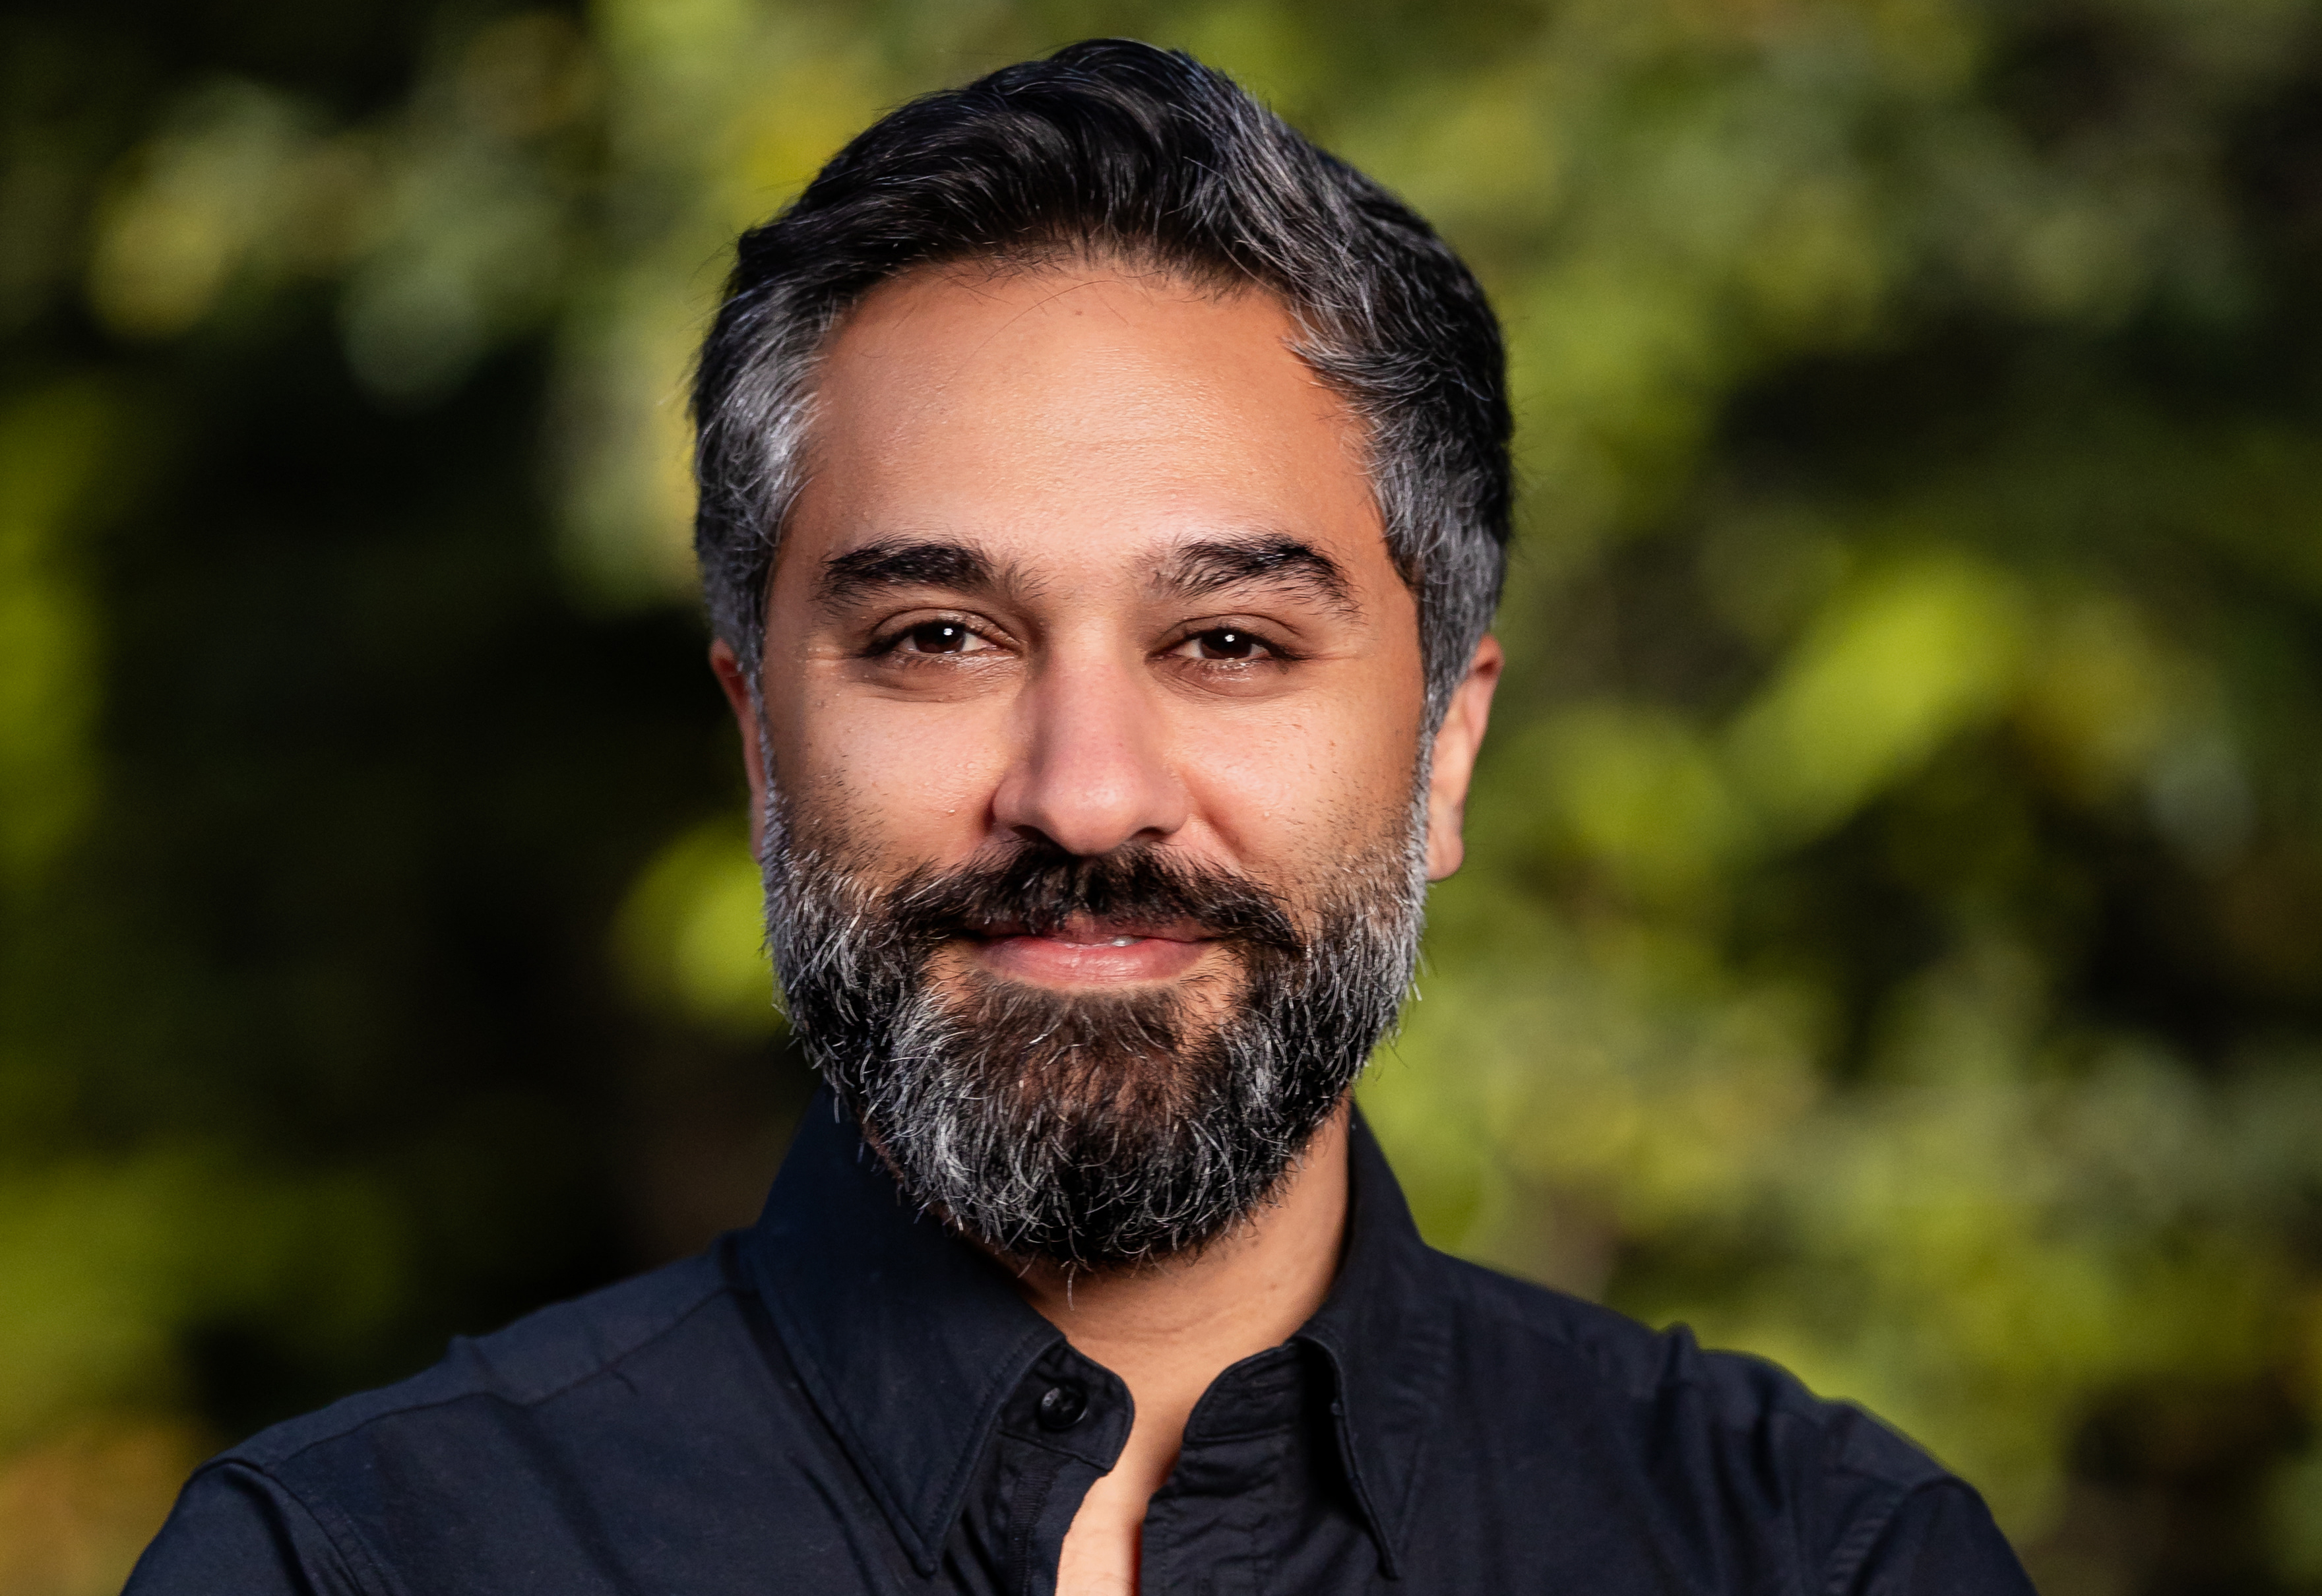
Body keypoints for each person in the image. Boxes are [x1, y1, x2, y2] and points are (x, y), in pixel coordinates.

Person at [127, 39, 2036, 1595]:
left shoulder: (1816, 1556)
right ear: (762, 743)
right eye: (940, 635)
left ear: (1445, 750)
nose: (1086, 788)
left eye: (1226, 637)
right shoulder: (361, 1563)